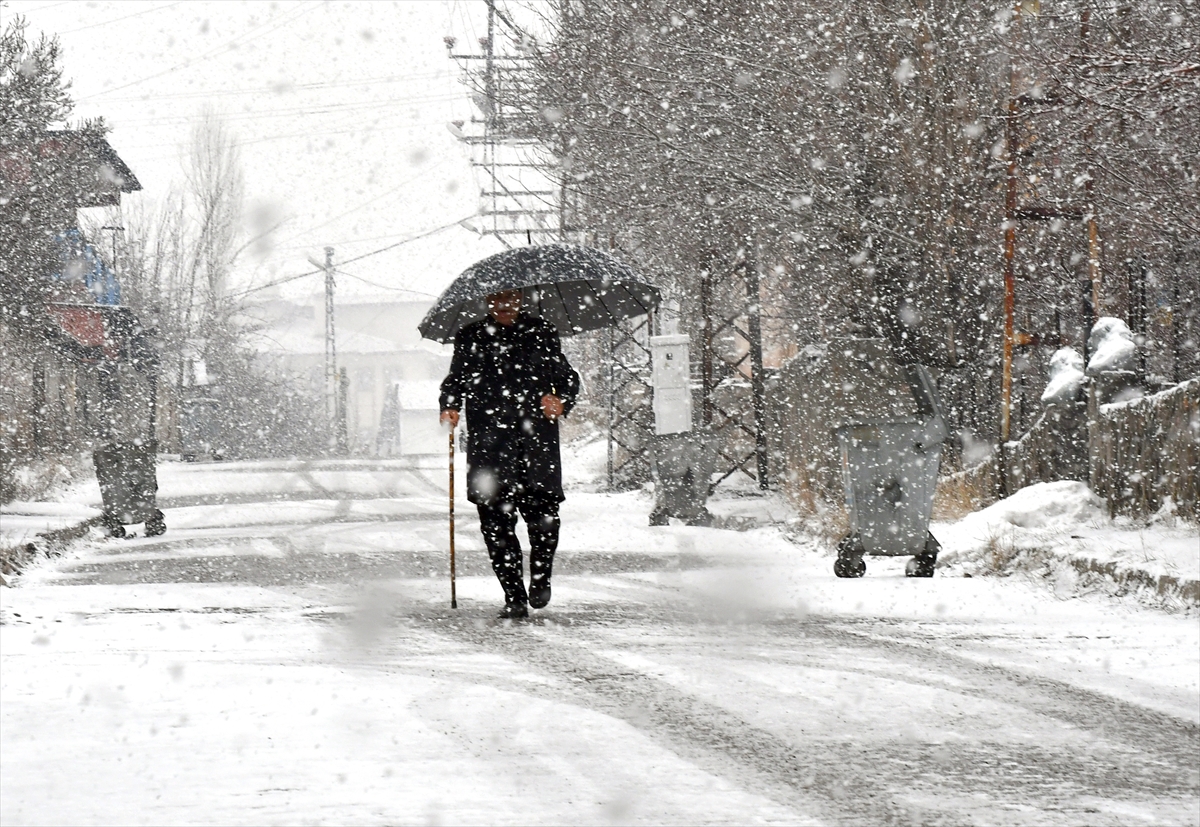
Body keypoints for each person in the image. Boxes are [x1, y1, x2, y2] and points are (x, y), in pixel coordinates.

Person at [439, 289, 581, 619]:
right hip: (489, 448)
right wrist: (449, 405)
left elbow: (566, 378)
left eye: (511, 299)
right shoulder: (471, 336)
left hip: (536, 445)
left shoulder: (541, 332)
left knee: (545, 522)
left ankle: (541, 578)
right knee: (495, 528)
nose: (504, 306)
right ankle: (514, 595)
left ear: (520, 301)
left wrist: (561, 400)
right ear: (486, 302)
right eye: (497, 300)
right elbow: (455, 380)